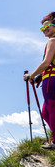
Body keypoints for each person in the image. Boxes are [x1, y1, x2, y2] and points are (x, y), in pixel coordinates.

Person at [24, 12, 55, 149]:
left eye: (47, 26)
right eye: (42, 28)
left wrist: (31, 76)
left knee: (52, 110)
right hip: (48, 78)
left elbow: (46, 63)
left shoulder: (52, 41)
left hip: (51, 81)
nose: (44, 30)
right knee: (46, 113)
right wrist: (39, 76)